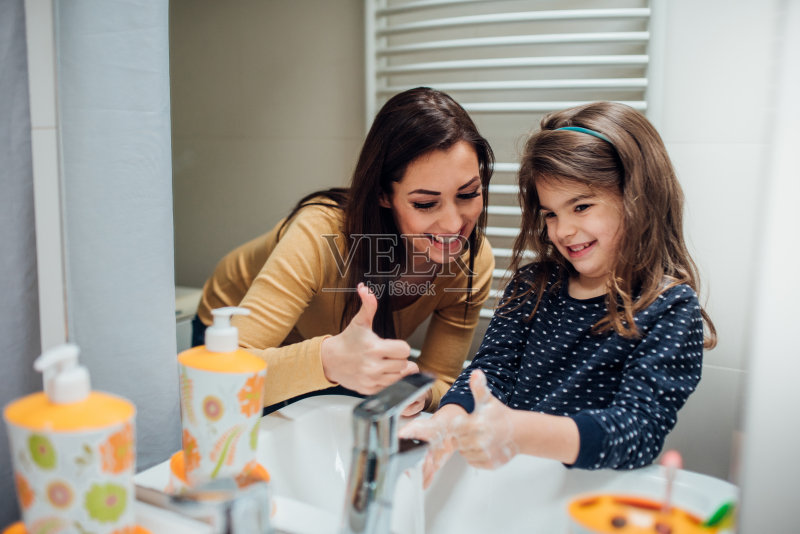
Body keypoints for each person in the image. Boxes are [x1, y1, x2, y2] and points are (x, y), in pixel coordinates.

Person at [401, 101, 717, 485]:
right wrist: (446, 421)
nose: (563, 230)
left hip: (582, 495)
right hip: (509, 480)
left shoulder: (668, 309)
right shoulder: (532, 286)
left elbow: (636, 430)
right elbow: (492, 373)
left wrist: (516, 431)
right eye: (550, 213)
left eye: (581, 206)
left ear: (639, 198)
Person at [193, 87, 495, 416]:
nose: (453, 224)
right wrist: (328, 360)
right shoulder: (321, 234)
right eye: (425, 203)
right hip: (228, 340)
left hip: (334, 353)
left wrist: (418, 392)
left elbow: (442, 380)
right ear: (383, 194)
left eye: (468, 194)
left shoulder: (473, 262)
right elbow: (225, 375)